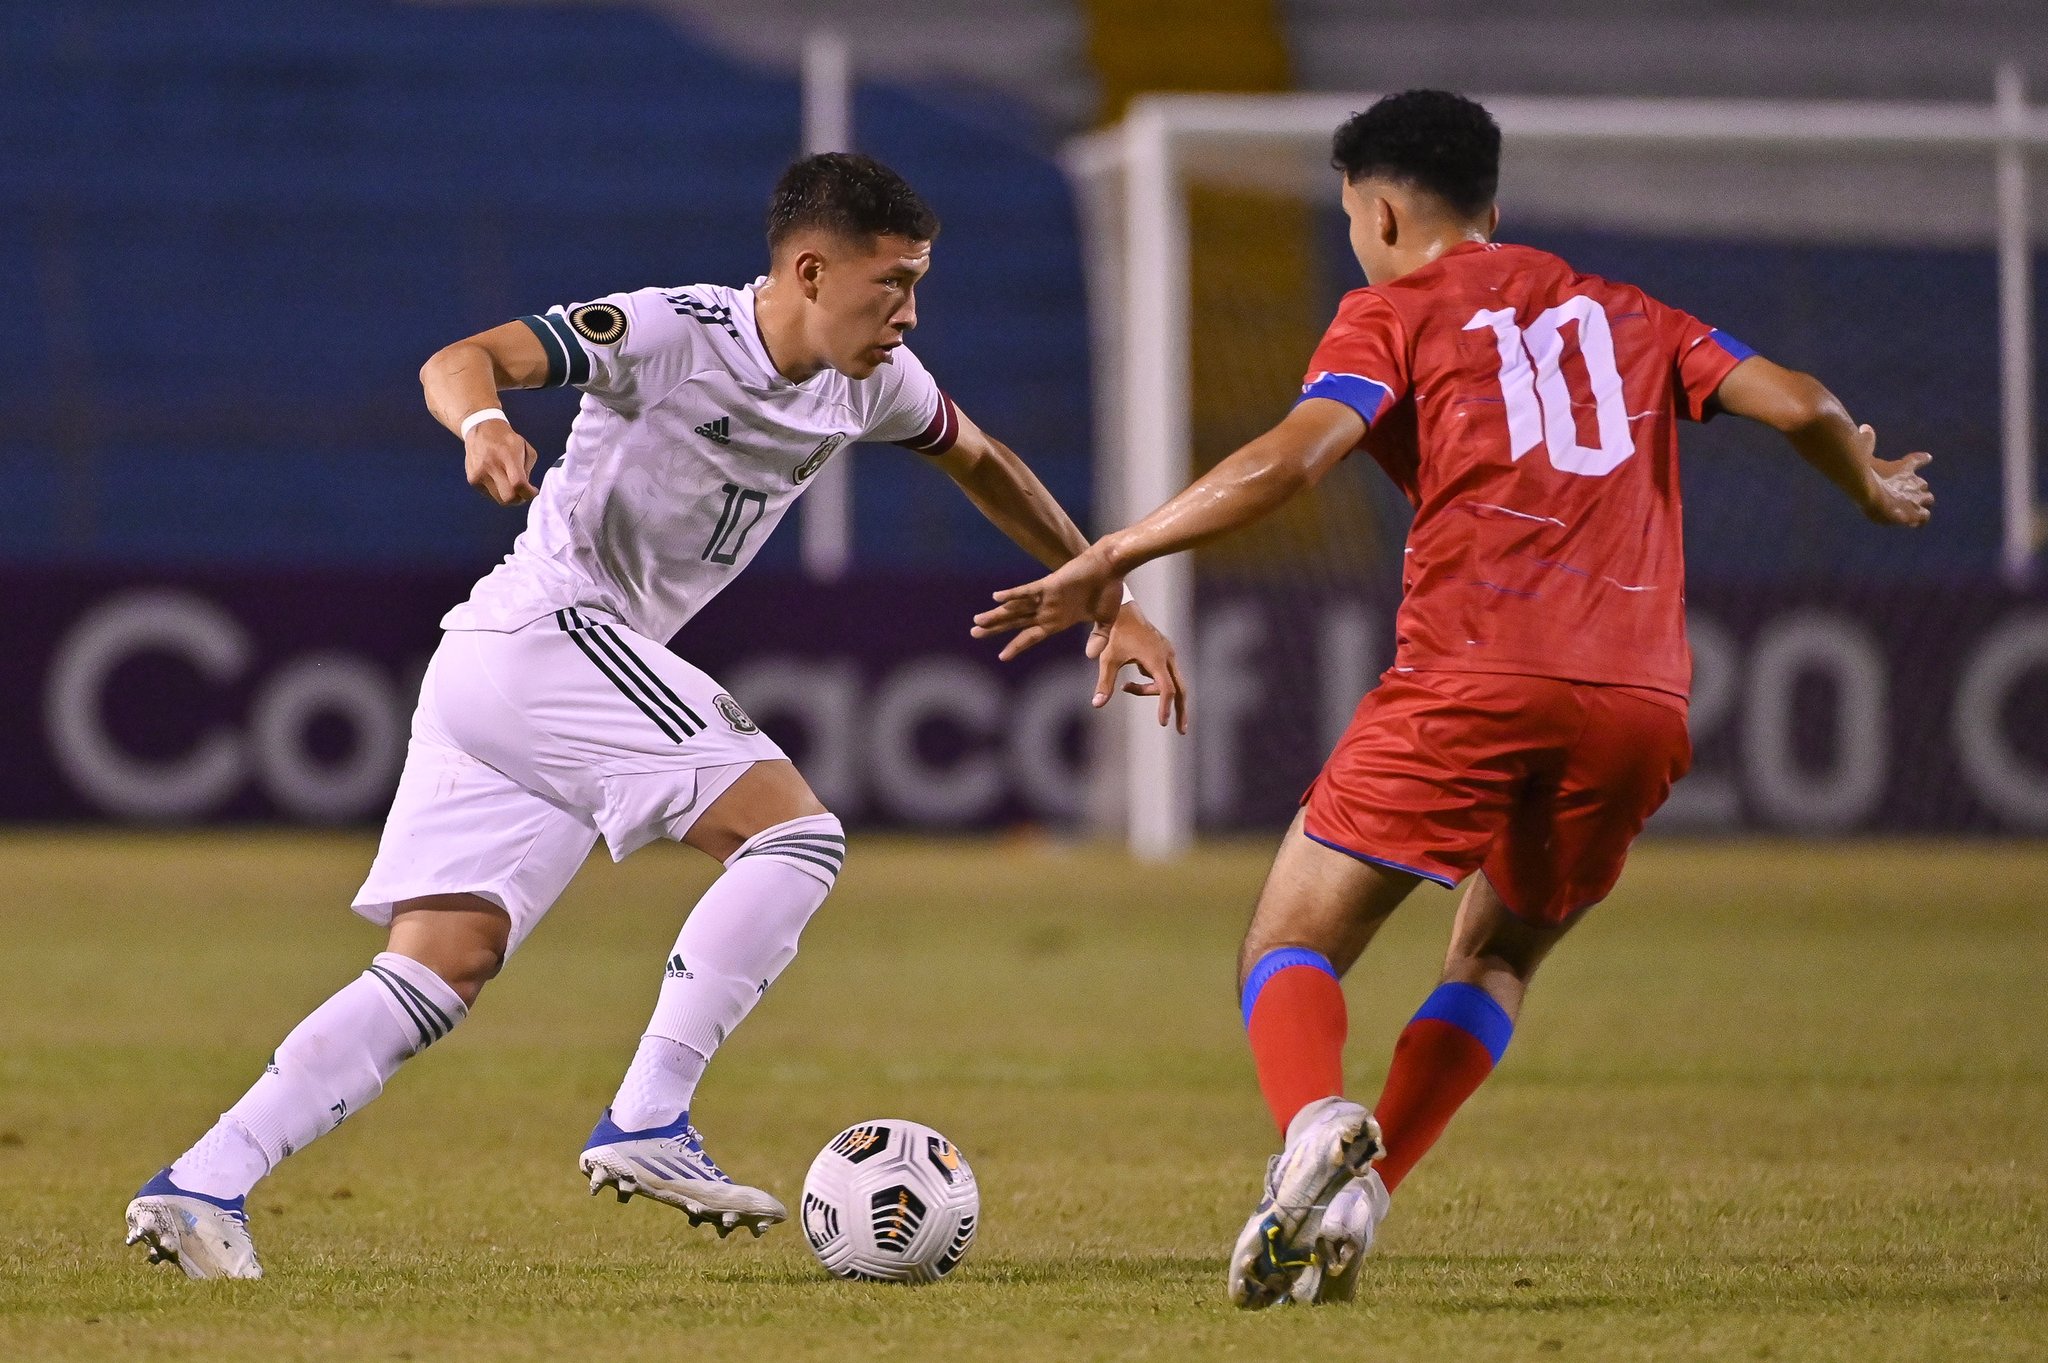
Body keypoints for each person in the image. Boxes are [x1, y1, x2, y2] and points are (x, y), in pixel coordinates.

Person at [125, 152, 1186, 1280]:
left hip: (511, 678)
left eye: (919, 285)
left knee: (443, 960)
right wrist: (483, 423)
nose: (910, 314)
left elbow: (984, 461)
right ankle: (646, 1118)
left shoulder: (873, 379)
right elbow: (461, 358)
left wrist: (1105, 590)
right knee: (796, 836)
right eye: (893, 285)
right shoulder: (669, 331)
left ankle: (202, 1182)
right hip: (547, 633)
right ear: (813, 270)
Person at [971, 90, 1932, 1309]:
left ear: (1374, 210)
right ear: (1495, 203)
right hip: (1640, 697)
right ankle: (1366, 1193)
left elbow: (1295, 455)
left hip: (1474, 672)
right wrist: (1867, 486)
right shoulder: (1632, 314)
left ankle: (1316, 1123)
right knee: (1495, 958)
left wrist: (1120, 550)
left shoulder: (1394, 310)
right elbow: (1795, 399)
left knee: (1289, 942)